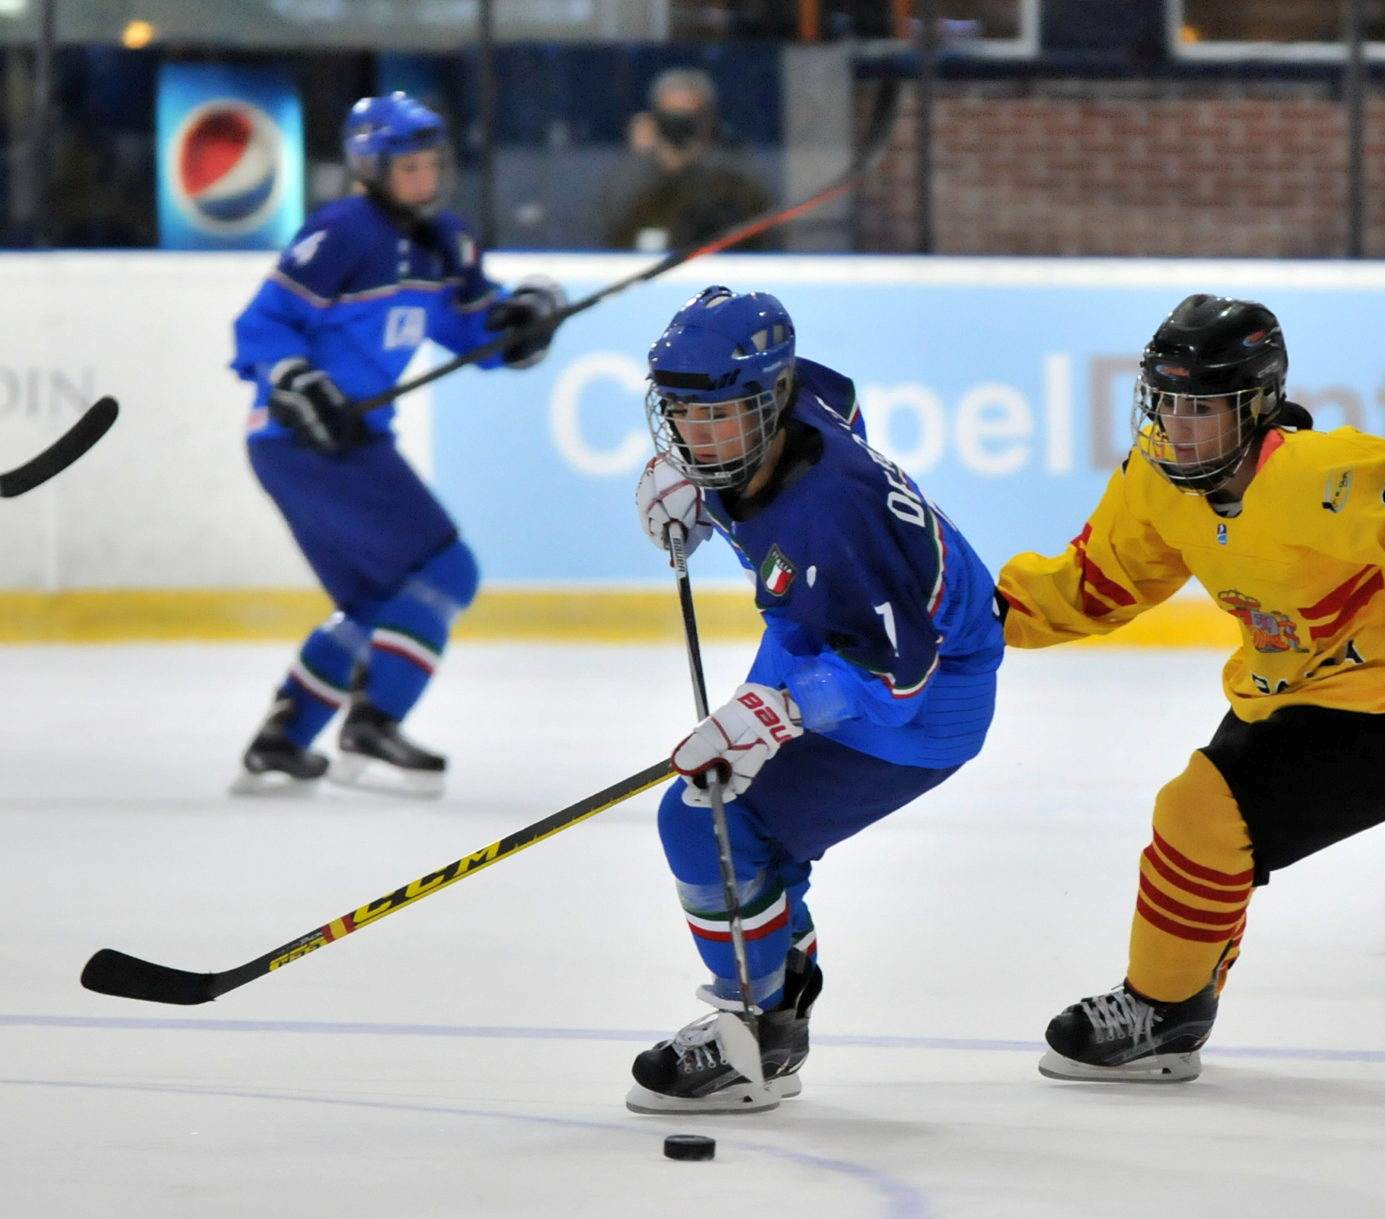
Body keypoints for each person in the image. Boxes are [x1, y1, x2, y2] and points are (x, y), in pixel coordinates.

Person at [997, 295, 1385, 1082]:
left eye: (1203, 407)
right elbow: (1097, 581)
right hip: (1282, 700)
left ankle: (1162, 1008)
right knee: (1211, 840)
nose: (1178, 425)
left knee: (1198, 810)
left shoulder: (1326, 474)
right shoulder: (1157, 478)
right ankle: (1180, 1001)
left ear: (1258, 405)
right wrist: (977, 615)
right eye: (1166, 400)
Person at [624, 285, 1004, 1113]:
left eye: (719, 418)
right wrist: (691, 487)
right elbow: (845, 396)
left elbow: (899, 679)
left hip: (924, 692)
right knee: (747, 823)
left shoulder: (833, 516)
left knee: (707, 819)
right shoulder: (799, 399)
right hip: (820, 629)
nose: (698, 438)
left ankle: (753, 1032)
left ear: (767, 403)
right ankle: (778, 1006)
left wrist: (780, 711)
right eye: (682, 418)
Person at [229, 93, 566, 797]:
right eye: (409, 166)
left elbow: (478, 331)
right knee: (447, 572)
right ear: (371, 167)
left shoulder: (445, 241)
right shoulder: (342, 233)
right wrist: (296, 380)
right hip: (302, 440)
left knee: (381, 600)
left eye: (431, 164)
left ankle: (281, 742)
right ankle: (373, 725)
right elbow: (263, 324)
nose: (425, 178)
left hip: (349, 443)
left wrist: (523, 319)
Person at [602, 67, 775, 253]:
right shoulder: (636, 172)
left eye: (689, 119)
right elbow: (609, 227)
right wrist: (639, 159)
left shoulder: (733, 170)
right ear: (656, 120)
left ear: (708, 119)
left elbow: (751, 225)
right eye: (670, 119)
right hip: (643, 265)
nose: (679, 128)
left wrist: (699, 161)